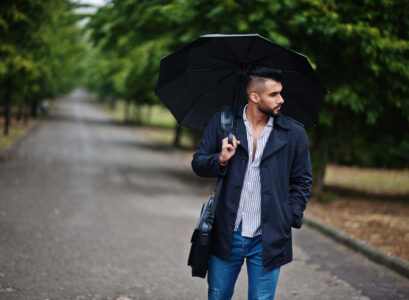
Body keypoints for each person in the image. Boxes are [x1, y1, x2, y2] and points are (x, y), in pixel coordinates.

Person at [191, 65, 313, 300]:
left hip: (268, 236)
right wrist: (220, 159)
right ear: (254, 97)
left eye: (281, 92)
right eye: (274, 94)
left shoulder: (294, 133)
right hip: (227, 233)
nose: (281, 99)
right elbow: (198, 163)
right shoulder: (223, 122)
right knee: (218, 296)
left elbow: (303, 181)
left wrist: (289, 216)